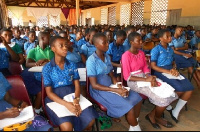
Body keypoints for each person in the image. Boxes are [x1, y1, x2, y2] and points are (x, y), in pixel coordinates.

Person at [86, 33, 142, 131]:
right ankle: (136, 127)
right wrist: (115, 90)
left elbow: (111, 74)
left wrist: (118, 85)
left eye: (108, 42)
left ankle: (133, 124)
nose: (108, 44)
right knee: (128, 106)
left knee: (137, 98)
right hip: (99, 89)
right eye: (105, 43)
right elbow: (94, 85)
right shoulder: (91, 61)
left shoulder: (107, 56)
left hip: (110, 84)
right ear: (96, 45)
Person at [122, 32, 177, 129]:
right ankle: (156, 117)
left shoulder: (141, 53)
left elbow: (145, 68)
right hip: (134, 81)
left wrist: (149, 76)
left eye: (141, 39)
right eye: (138, 40)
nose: (141, 42)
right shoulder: (126, 55)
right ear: (131, 42)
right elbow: (127, 77)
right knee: (161, 97)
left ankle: (155, 116)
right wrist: (146, 79)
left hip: (144, 77)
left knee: (166, 89)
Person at [42, 36, 97, 131]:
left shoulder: (72, 64)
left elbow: (77, 85)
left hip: (72, 94)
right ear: (53, 49)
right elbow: (49, 93)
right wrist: (66, 104)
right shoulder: (47, 68)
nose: (65, 48)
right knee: (66, 127)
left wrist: (76, 99)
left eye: (66, 45)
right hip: (55, 97)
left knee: (90, 120)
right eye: (61, 46)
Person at [150, 29, 194, 123]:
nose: (170, 38)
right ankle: (164, 105)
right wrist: (168, 71)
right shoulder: (156, 50)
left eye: (170, 36)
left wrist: (174, 68)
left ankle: (175, 111)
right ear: (161, 38)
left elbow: (173, 62)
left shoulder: (170, 49)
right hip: (160, 72)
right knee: (180, 88)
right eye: (168, 36)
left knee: (189, 88)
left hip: (171, 71)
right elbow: (153, 66)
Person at [21, 31, 54, 115]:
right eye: (49, 38)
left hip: (45, 76)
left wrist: (46, 60)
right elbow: (27, 64)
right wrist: (37, 63)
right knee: (40, 92)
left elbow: (55, 62)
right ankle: (36, 112)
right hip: (33, 77)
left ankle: (42, 109)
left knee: (46, 89)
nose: (50, 40)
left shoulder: (51, 50)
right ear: (42, 38)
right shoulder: (33, 51)